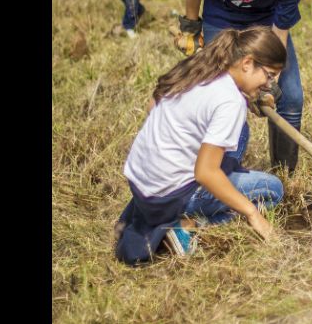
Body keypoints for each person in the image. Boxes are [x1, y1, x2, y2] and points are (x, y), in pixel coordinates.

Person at [114, 27, 286, 264]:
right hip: (167, 196)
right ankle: (183, 226)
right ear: (247, 63)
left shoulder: (202, 66)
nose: (269, 84)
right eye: (268, 75)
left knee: (241, 131)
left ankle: (181, 208)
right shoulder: (230, 102)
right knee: (272, 189)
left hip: (141, 181)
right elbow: (205, 173)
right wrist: (252, 214)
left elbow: (152, 106)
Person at [178, 0, 312, 174]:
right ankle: (222, 171)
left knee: (291, 97)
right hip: (222, 18)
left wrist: (271, 79)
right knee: (227, 95)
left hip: (264, 22)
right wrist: (190, 26)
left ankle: (284, 172)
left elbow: (280, 33)